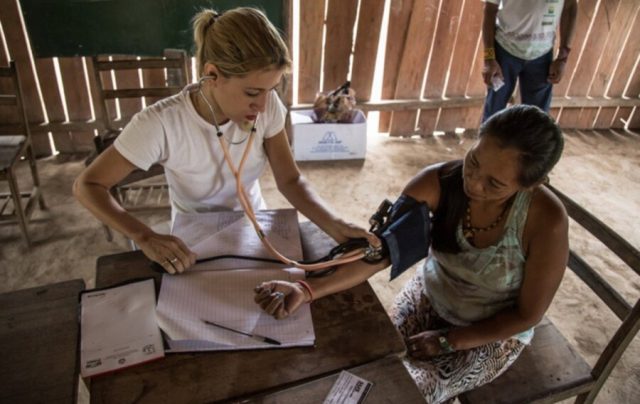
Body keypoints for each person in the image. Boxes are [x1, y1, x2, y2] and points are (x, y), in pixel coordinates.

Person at [255, 105, 569, 403]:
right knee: (366, 361)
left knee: (400, 391)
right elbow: (379, 254)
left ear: (531, 184)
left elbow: (528, 315)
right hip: (430, 294)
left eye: (494, 183)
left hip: (492, 330)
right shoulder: (437, 183)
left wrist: (450, 340)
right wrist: (306, 289)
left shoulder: (546, 221)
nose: (473, 182)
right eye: (473, 161)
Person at [74, 7, 373, 274]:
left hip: (254, 222)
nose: (264, 104)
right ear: (212, 74)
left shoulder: (267, 107)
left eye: (271, 90)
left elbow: (290, 181)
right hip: (193, 233)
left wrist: (335, 224)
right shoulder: (161, 123)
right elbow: (88, 185)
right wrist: (145, 236)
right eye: (253, 93)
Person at [482, 0, 577, 122]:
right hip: (504, 51)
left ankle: (529, 142)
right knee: (493, 113)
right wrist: (489, 58)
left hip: (542, 55)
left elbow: (570, 8)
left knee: (537, 119)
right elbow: (489, 9)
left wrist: (562, 58)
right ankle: (488, 141)